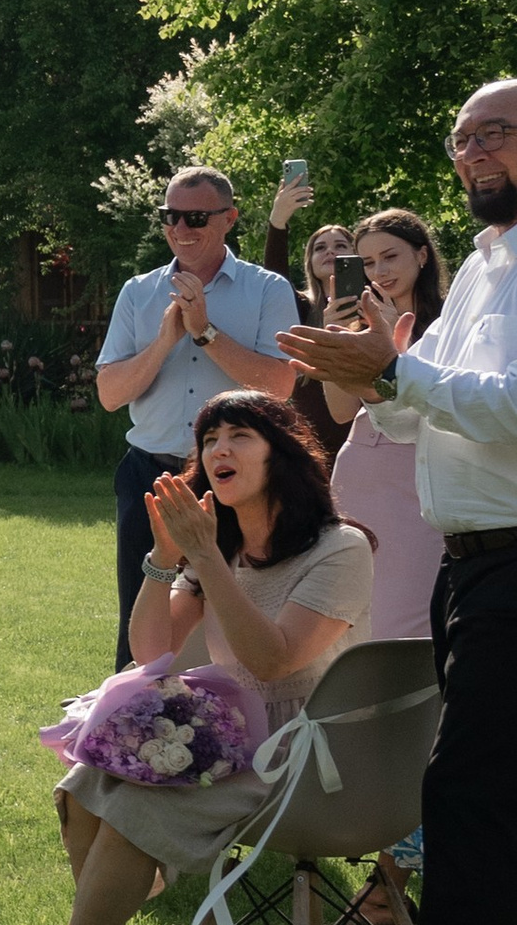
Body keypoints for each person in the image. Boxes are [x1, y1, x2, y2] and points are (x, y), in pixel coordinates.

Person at [0, 392, 371, 925]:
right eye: (209, 438)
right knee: (83, 785)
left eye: (239, 435)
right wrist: (166, 557)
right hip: (230, 739)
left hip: (306, 757)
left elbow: (274, 661)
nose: (219, 448)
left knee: (135, 803)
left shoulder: (341, 548)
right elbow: (151, 651)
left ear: (284, 455)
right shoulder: (221, 550)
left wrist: (209, 558)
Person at [283, 81, 517, 925]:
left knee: (467, 803)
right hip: (473, 563)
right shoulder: (482, 264)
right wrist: (383, 377)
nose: (472, 151)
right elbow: (443, 418)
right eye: (461, 134)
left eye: (494, 132)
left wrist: (402, 375)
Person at [95, 169, 301, 669]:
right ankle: (130, 731)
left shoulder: (268, 289)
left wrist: (204, 330)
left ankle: (228, 723)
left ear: (229, 219)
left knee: (239, 613)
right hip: (153, 476)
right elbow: (109, 394)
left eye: (196, 217)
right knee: (143, 620)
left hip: (239, 481)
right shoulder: (139, 292)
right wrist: (166, 338)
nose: (180, 228)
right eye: (171, 216)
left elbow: (280, 387)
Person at [325, 212, 450, 640]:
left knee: (408, 614)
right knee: (351, 609)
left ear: (421, 254)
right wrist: (337, 340)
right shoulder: (359, 325)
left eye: (389, 257)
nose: (379, 271)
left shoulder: (451, 326)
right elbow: (340, 411)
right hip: (359, 472)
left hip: (421, 477)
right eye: (368, 262)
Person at [261, 193, 352, 460]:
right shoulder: (299, 307)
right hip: (313, 438)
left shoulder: (375, 305)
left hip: (365, 435)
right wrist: (278, 222)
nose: (330, 251)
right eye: (320, 248)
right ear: (310, 262)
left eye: (340, 245)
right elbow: (275, 277)